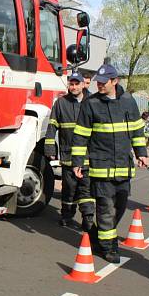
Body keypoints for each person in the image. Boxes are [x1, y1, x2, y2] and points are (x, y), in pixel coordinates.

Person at [71, 62, 148, 264]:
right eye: (99, 82)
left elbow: (137, 130)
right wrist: (77, 161)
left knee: (120, 207)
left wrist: (141, 152)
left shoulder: (129, 102)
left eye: (105, 82)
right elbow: (80, 135)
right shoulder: (91, 104)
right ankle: (108, 247)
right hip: (100, 165)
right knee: (106, 207)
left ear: (115, 81)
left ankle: (99, 235)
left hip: (123, 165)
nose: (100, 85)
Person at [45, 72, 95, 230]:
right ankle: (67, 215)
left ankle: (88, 219)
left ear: (83, 85)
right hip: (68, 155)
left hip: (88, 155)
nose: (73, 87)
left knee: (86, 189)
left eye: (76, 84)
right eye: (71, 84)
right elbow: (52, 125)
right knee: (69, 189)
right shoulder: (60, 102)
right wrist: (49, 147)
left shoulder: (92, 101)